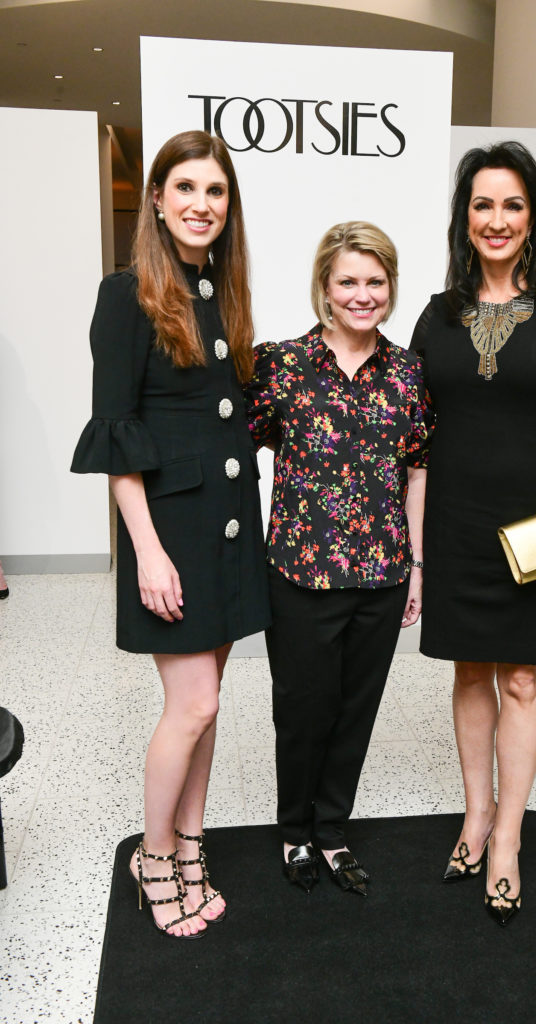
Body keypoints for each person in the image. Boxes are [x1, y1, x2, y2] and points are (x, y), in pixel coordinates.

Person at [71, 130, 270, 938]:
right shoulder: (127, 294)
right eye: (185, 188)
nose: (200, 205)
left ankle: (191, 845)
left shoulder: (219, 290)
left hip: (226, 527)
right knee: (190, 705)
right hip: (172, 532)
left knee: (209, 703)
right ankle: (153, 856)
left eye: (215, 192)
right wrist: (146, 552)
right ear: (156, 199)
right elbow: (117, 435)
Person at [410, 141, 536, 926]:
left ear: (534, 217)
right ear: (464, 217)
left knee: (523, 679)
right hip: (459, 520)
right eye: (482, 204)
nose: (496, 220)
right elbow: (414, 433)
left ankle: (508, 839)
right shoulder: (438, 312)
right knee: (468, 674)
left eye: (512, 204)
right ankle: (473, 814)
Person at [246, 222, 433, 896]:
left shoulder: (409, 372)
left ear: (389, 288)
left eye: (374, 282)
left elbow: (416, 469)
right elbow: (240, 449)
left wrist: (415, 566)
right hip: (299, 571)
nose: (362, 295)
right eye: (348, 281)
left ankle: (331, 831)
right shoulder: (280, 364)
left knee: (356, 708)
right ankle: (294, 830)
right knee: (302, 709)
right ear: (324, 288)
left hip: (382, 574)